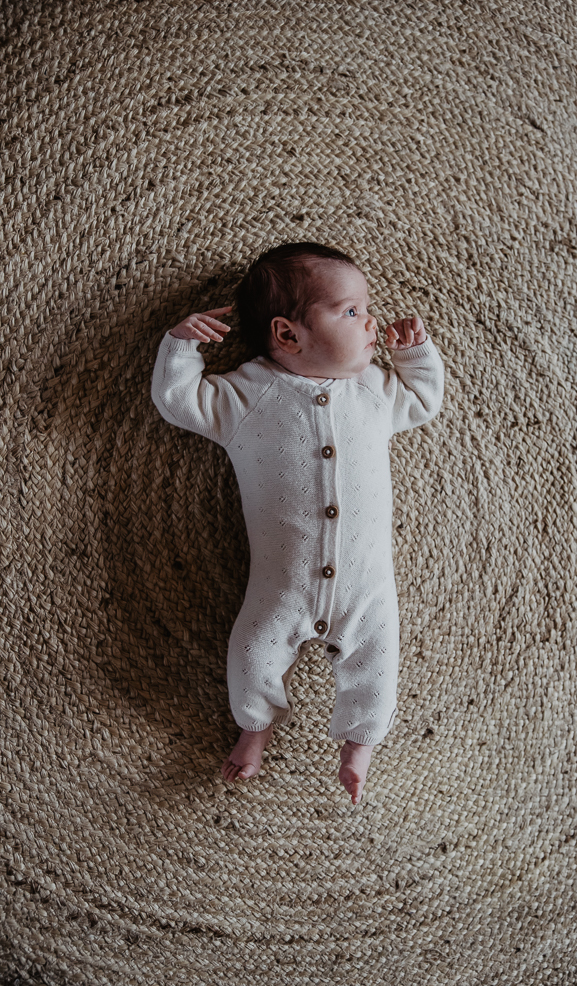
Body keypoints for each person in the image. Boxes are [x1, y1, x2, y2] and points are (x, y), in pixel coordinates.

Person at [151, 242, 444, 804]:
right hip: (279, 587)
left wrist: (416, 356)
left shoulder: (375, 393)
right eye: (352, 311)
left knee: (379, 659)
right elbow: (180, 401)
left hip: (366, 585)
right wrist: (180, 347)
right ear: (288, 335)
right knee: (252, 653)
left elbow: (422, 400)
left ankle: (360, 745)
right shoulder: (244, 396)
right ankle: (253, 727)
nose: (372, 322)